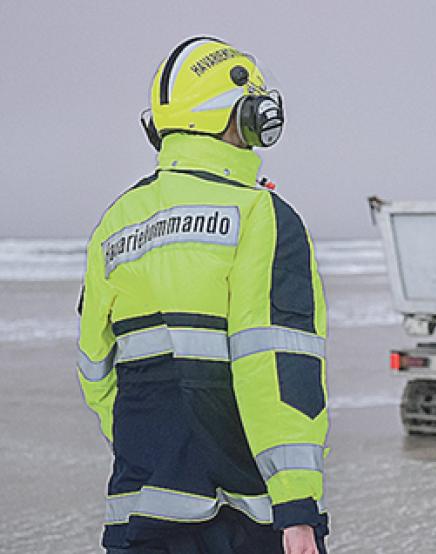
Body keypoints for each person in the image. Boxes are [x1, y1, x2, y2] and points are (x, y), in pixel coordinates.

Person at [77, 37, 329, 553]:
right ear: (248, 114)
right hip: (245, 520)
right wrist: (297, 508)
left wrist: (152, 450)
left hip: (140, 512)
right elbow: (278, 368)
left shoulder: (115, 223)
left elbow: (94, 367)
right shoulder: (261, 216)